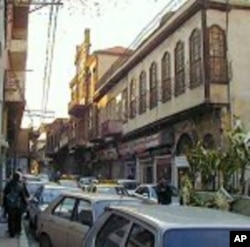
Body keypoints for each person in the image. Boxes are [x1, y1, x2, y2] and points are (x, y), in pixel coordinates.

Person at [3, 172, 28, 237]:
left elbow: (5, 194)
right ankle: (18, 230)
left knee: (10, 219)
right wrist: (25, 203)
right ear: (18, 178)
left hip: (9, 205)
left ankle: (12, 232)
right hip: (17, 205)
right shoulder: (20, 186)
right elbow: (23, 196)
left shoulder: (8, 184)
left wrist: (4, 205)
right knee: (18, 218)